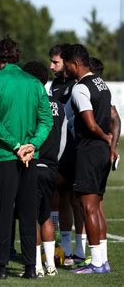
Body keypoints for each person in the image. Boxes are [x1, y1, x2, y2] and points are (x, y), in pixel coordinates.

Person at [0, 37, 52, 280]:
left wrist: (16, 146)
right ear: (17, 56)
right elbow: (47, 120)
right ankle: (31, 268)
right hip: (30, 158)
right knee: (28, 212)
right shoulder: (34, 84)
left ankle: (1, 267)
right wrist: (32, 145)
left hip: (3, 156)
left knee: (3, 212)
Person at [62, 44, 114, 274]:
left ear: (75, 64)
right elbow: (113, 117)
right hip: (101, 152)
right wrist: (110, 144)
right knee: (97, 207)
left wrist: (105, 138)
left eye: (66, 64)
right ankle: (103, 260)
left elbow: (91, 124)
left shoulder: (79, 88)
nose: (65, 69)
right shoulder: (102, 84)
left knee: (88, 208)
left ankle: (95, 263)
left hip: (90, 150)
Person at [23, 61, 67, 277]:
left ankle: (37, 266)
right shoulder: (58, 105)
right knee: (45, 215)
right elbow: (63, 140)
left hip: (32, 163)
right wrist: (54, 162)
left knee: (30, 217)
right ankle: (50, 265)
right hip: (51, 166)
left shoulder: (30, 103)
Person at [49, 44, 86, 267]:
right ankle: (64, 247)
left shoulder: (77, 84)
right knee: (59, 198)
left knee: (75, 199)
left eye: (56, 62)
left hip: (75, 149)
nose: (52, 66)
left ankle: (80, 249)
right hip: (57, 150)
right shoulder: (54, 84)